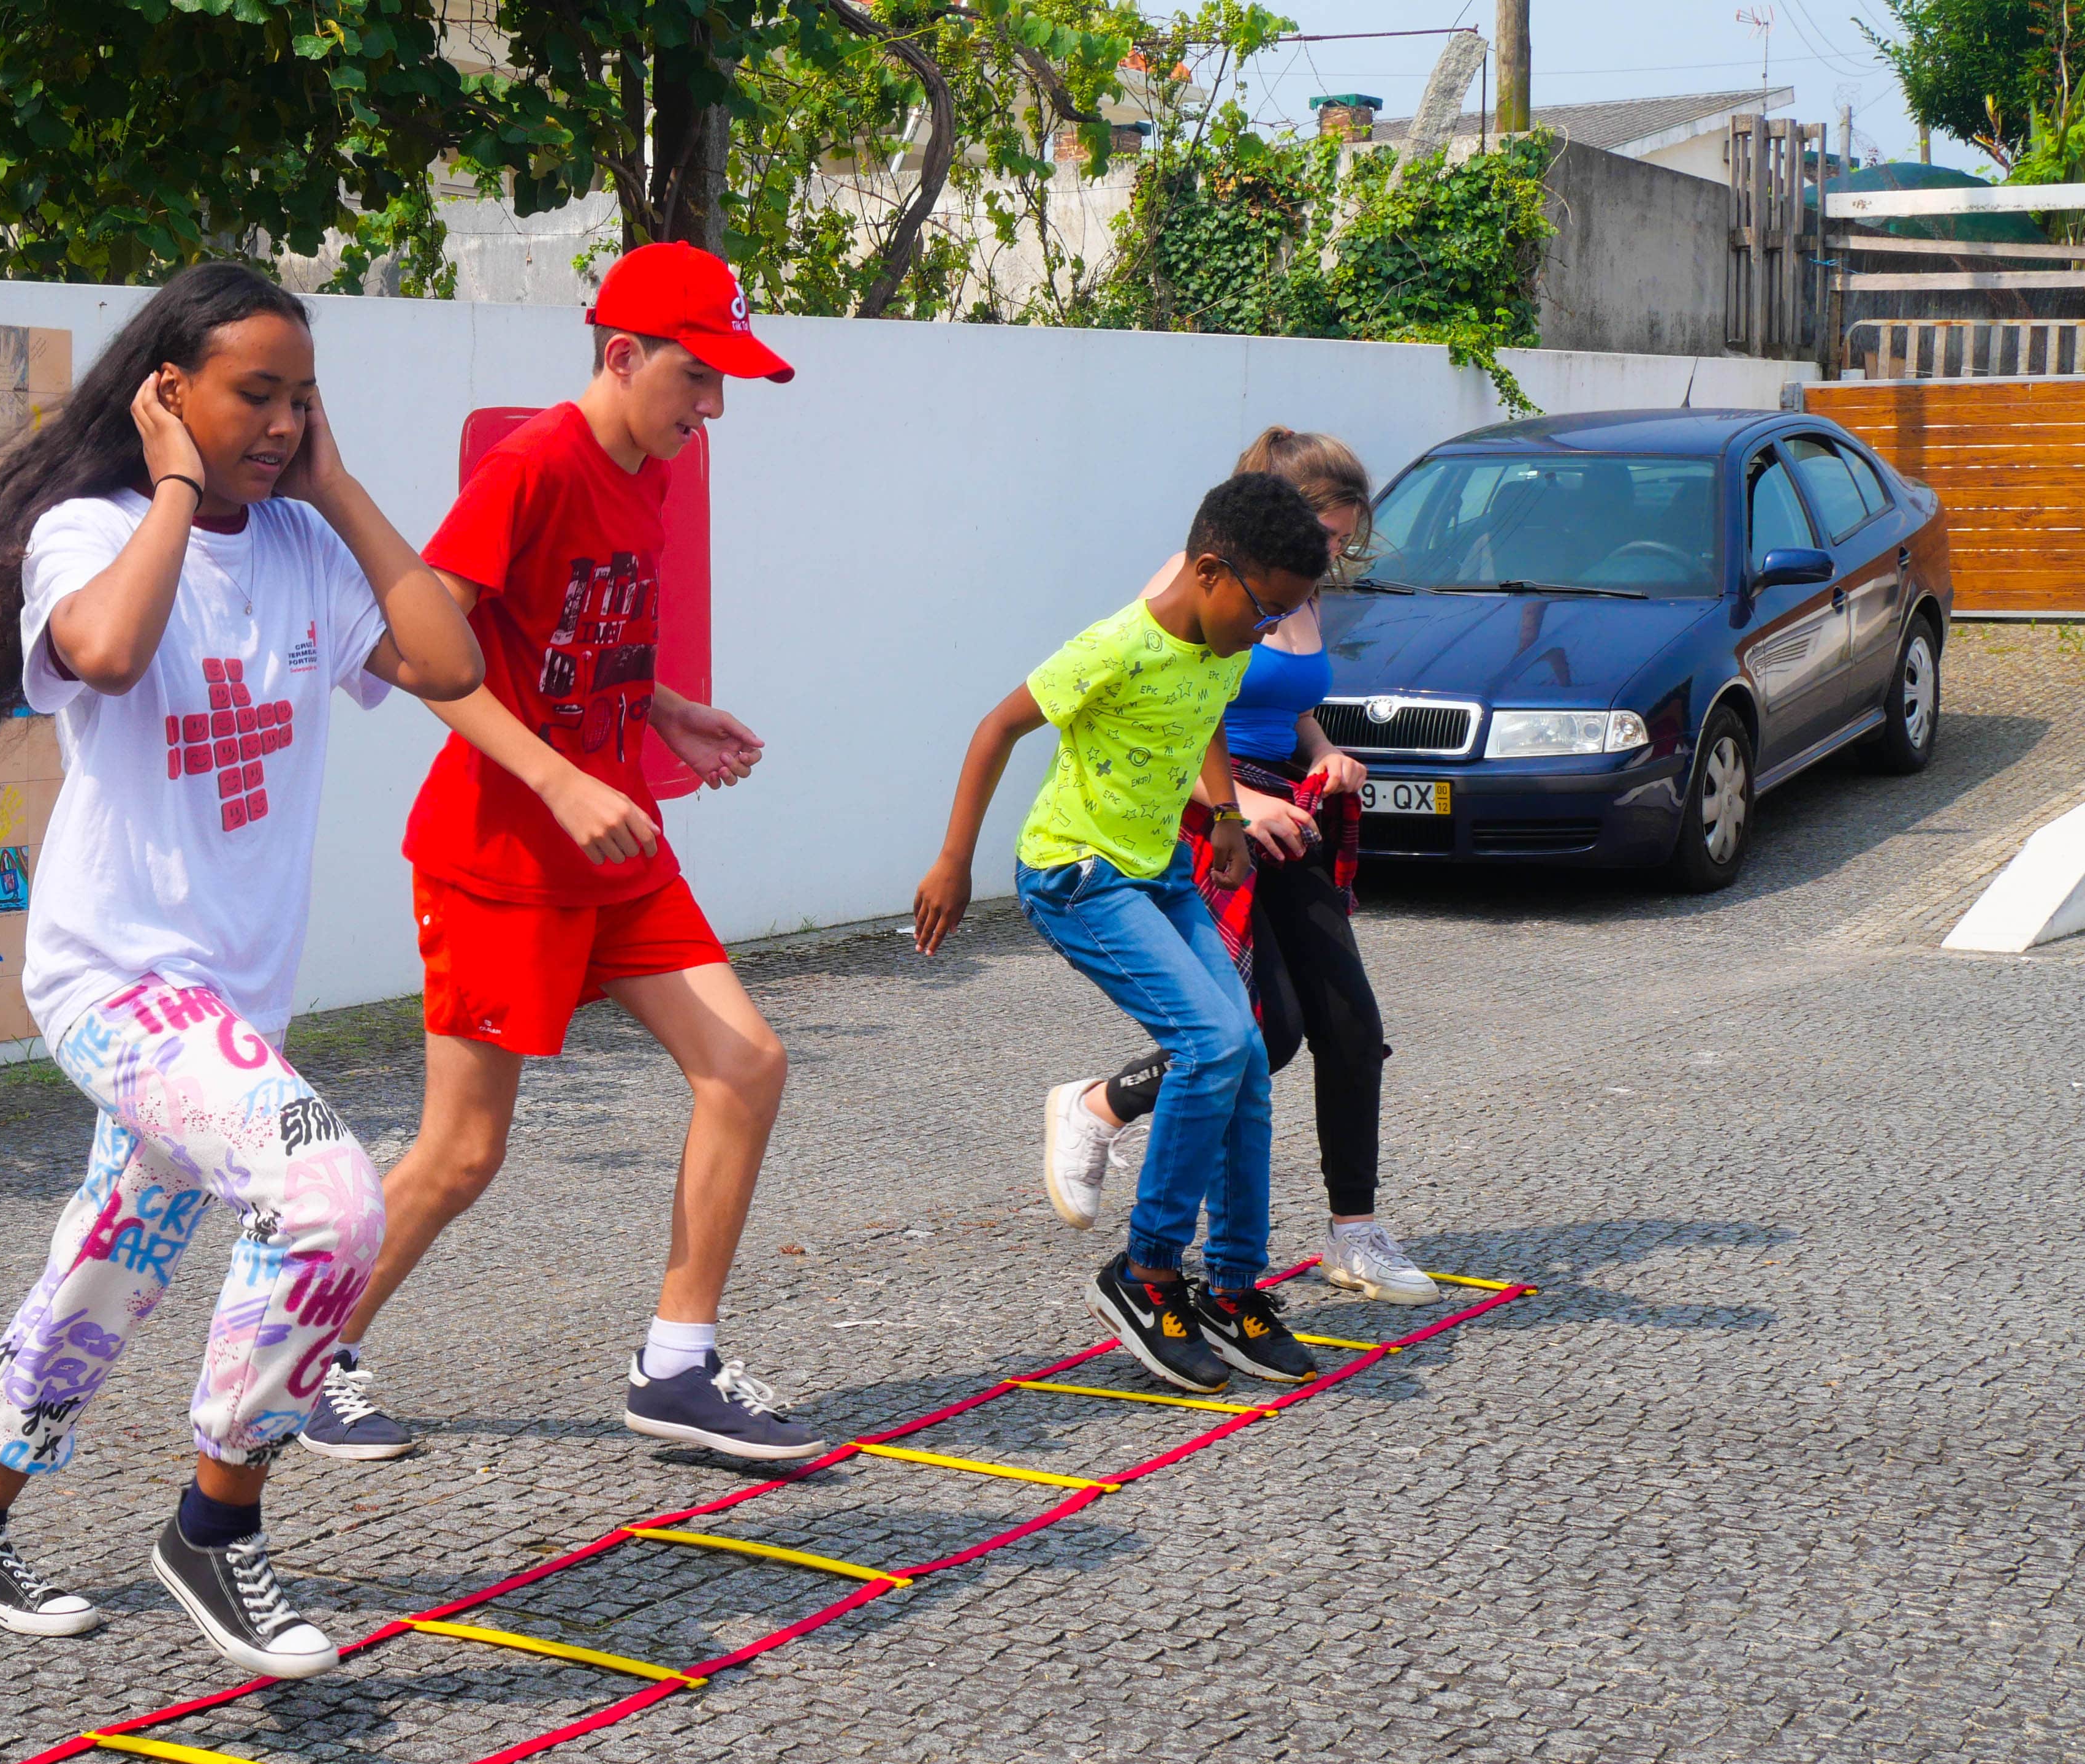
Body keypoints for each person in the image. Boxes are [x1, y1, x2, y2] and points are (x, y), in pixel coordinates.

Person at [0, 265, 480, 1679]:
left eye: (301, 398)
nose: (281, 423)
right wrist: (170, 486)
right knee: (329, 1198)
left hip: (230, 1002)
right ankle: (217, 1524)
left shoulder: (305, 544)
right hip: (116, 978)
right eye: (253, 395)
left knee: (116, 1252)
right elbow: (104, 651)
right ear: (167, 391)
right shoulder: (89, 530)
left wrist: (337, 487)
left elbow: (450, 659)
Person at [293, 243, 820, 1467]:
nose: (713, 407)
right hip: (499, 857)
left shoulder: (654, 467)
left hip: (617, 842)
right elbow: (425, 655)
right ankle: (306, 1356)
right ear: (623, 356)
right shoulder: (530, 467)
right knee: (462, 1153)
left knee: (746, 1065)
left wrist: (664, 710)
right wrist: (557, 776)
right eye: (698, 377)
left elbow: (575, 640)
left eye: (725, 381)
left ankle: (676, 1366)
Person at [912, 473, 1332, 1394]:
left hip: (1162, 871)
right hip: (1078, 876)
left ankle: (1232, 1286)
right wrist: (952, 861)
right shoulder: (1115, 646)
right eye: (1263, 612)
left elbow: (1206, 716)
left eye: (1282, 619)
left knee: (1247, 1052)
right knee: (1211, 1042)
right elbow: (996, 729)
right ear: (1211, 572)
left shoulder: (1223, 643)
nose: (1265, 633)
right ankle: (1146, 1274)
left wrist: (1226, 814)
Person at [1038, 429, 1437, 1305]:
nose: (1334, 555)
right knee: (1269, 1034)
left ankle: (1354, 1234)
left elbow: (1287, 702)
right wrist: (1239, 806)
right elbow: (1161, 717)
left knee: (1351, 1028)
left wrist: (1327, 753)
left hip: (1285, 811)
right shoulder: (1197, 578)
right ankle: (1103, 1107)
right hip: (1213, 817)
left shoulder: (1299, 588)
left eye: (1344, 541)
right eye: (1328, 535)